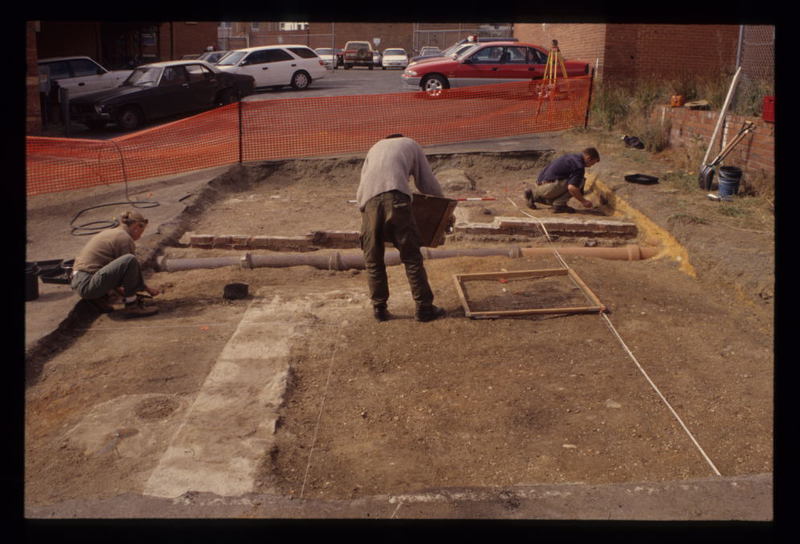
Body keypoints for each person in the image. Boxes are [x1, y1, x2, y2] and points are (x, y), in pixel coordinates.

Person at [356, 134, 447, 323]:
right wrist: (445, 207)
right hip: (396, 200)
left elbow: (363, 184)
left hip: (368, 204)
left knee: (373, 259)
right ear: (401, 137)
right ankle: (424, 309)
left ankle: (379, 309)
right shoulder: (411, 144)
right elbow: (426, 182)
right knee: (411, 257)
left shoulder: (375, 147)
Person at [70, 210, 160, 317]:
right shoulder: (124, 239)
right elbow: (129, 269)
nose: (140, 236)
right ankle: (132, 306)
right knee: (130, 260)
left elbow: (114, 272)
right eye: (141, 231)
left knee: (122, 264)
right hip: (87, 284)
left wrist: (129, 290)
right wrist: (143, 290)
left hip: (78, 280)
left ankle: (98, 300)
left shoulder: (111, 233)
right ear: (136, 226)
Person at [524, 147, 600, 213]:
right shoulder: (579, 166)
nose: (590, 166)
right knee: (579, 181)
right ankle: (560, 205)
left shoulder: (571, 157)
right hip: (548, 188)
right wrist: (584, 201)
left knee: (570, 182)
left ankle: (533, 196)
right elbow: (572, 188)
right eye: (592, 164)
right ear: (589, 158)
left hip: (539, 186)